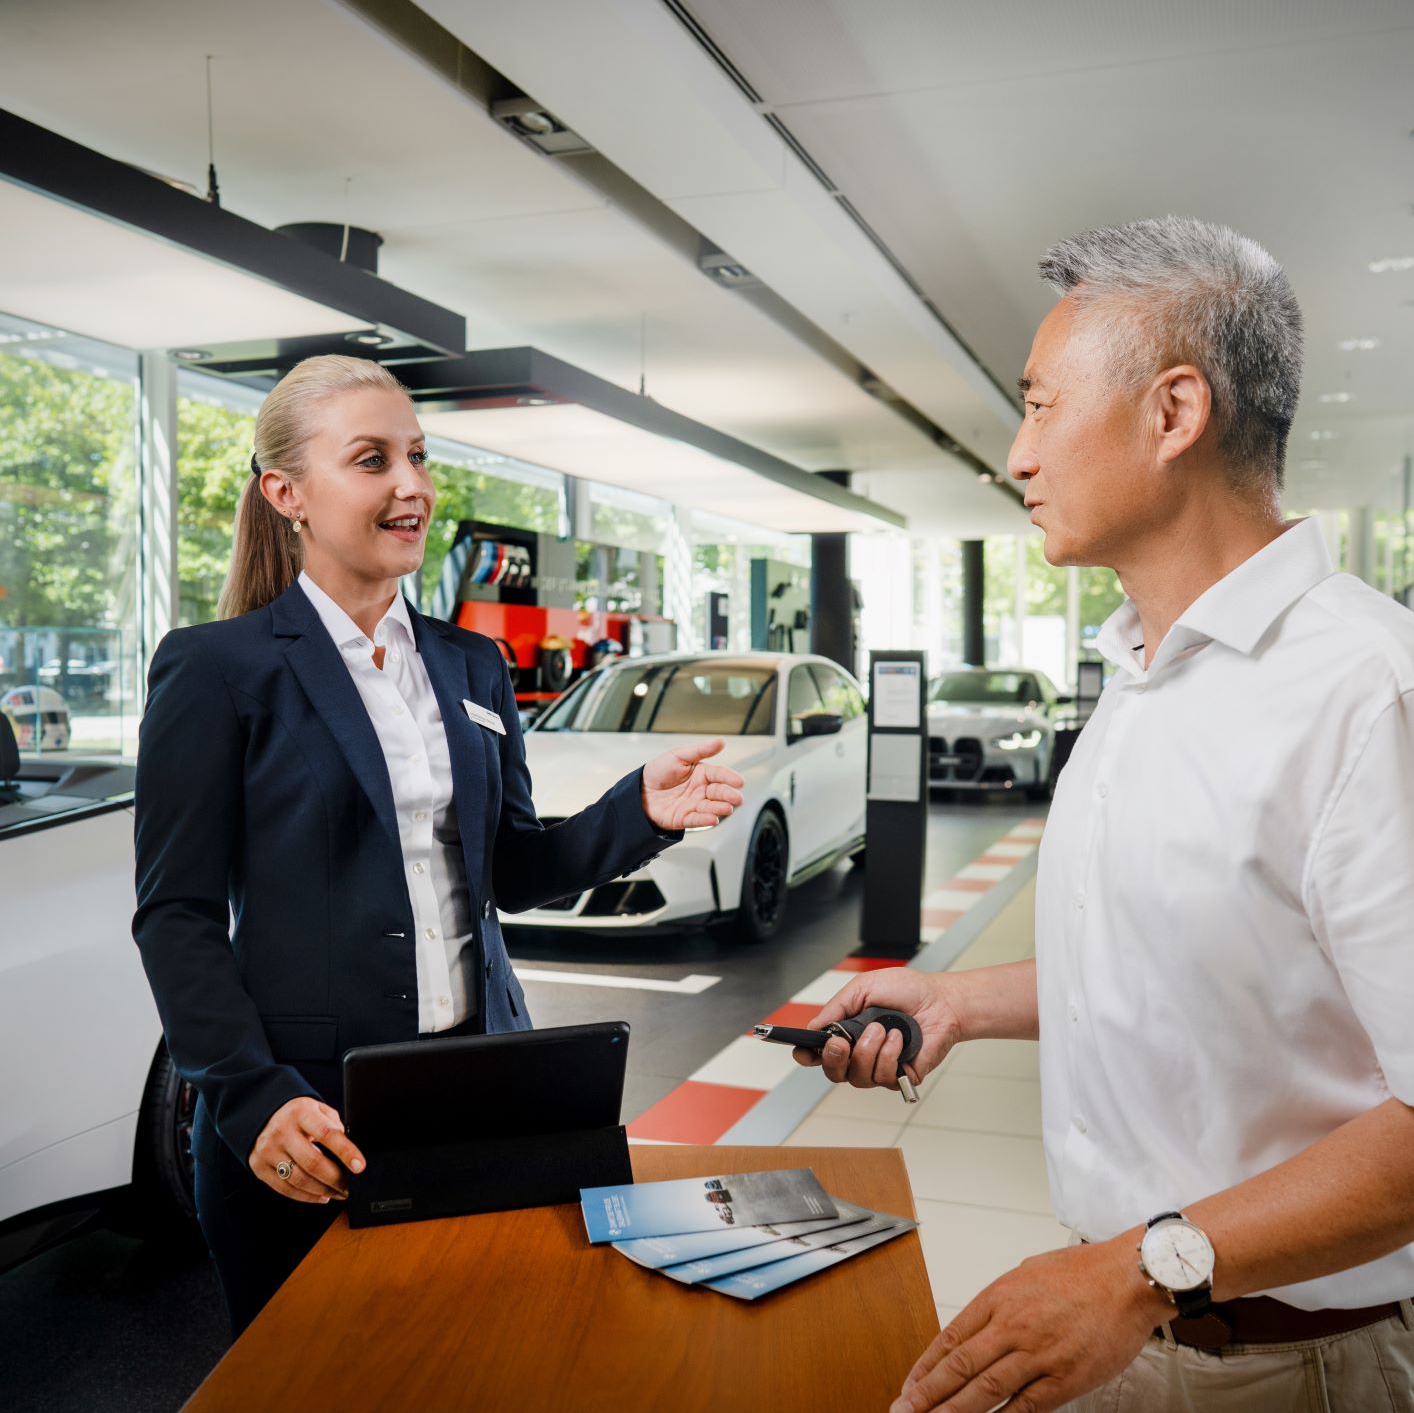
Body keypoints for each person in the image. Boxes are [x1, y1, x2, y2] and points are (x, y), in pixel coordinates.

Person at [797, 217, 1414, 1412]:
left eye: (1040, 406)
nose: (1018, 454)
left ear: (1172, 413)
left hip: (1288, 1362)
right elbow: (1182, 958)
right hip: (1123, 1322)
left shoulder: (1366, 693)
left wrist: (1138, 1272)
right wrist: (960, 1003)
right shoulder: (1137, 670)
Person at [132, 354, 745, 1337]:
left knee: (492, 1360)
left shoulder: (471, 662)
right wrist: (249, 1097)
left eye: (417, 456)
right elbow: (177, 917)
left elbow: (511, 866)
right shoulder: (218, 670)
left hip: (481, 1093)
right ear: (286, 492)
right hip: (311, 1117)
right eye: (372, 459)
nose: (411, 485)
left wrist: (639, 811)